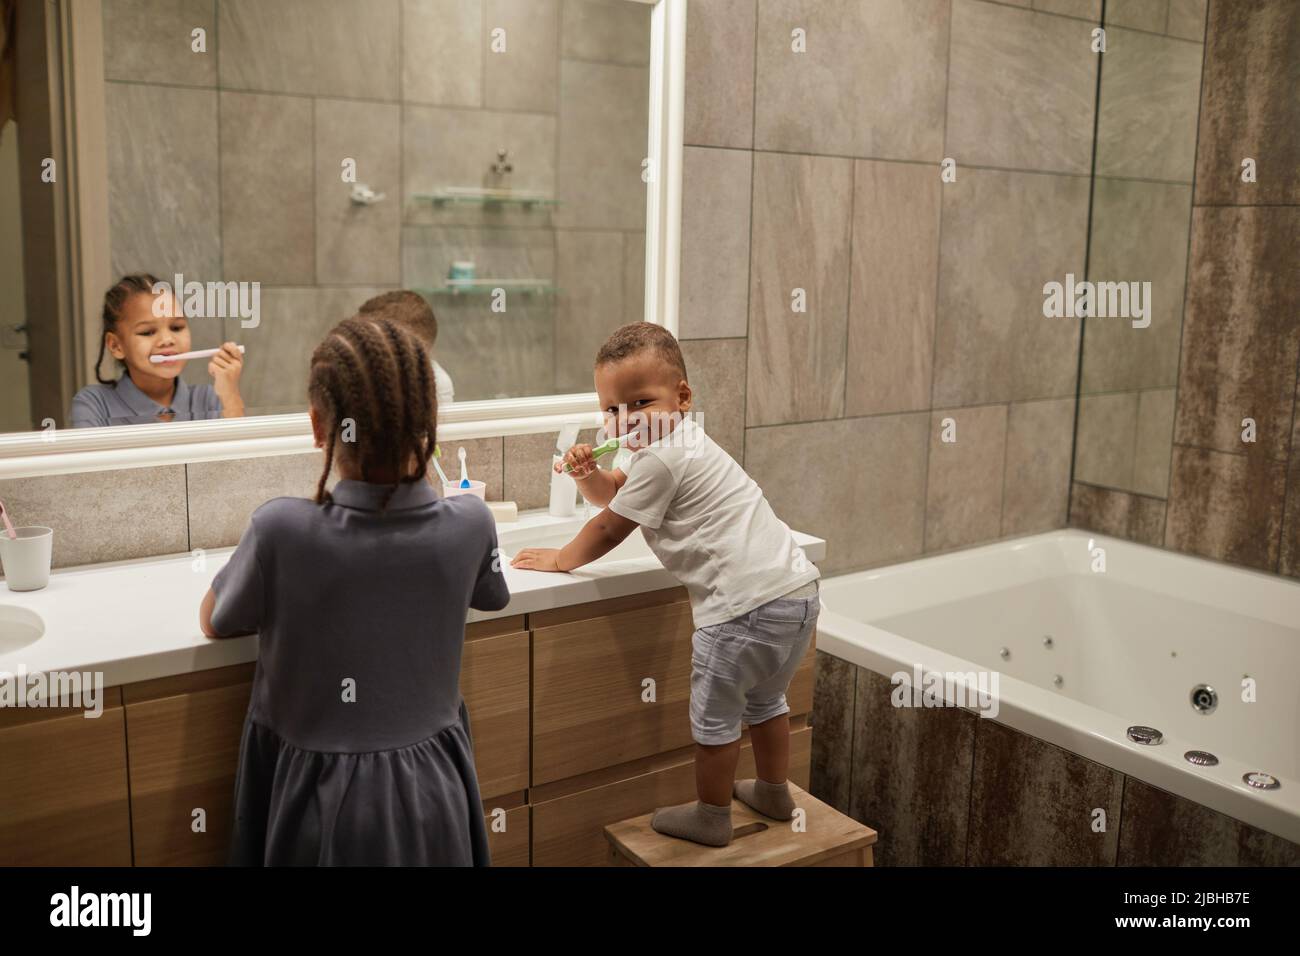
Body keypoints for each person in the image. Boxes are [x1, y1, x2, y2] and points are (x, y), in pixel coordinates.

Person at [199, 315, 509, 865]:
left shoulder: (282, 531)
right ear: (429, 420)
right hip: (436, 795)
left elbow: (217, 618)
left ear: (320, 426)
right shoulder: (471, 523)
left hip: (319, 809)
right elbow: (493, 596)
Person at [510, 322, 819, 847]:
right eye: (610, 410)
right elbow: (614, 495)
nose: (624, 419)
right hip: (796, 596)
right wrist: (587, 475)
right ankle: (772, 790)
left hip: (739, 612)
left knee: (715, 721)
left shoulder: (663, 458)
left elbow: (611, 526)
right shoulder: (682, 442)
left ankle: (712, 816)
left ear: (682, 396)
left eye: (640, 403)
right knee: (768, 702)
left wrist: (562, 559)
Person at [70, 273, 244, 427]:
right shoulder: (94, 405)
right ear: (116, 346)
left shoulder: (209, 399)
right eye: (148, 332)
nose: (167, 340)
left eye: (176, 327)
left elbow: (241, 461)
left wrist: (230, 394)